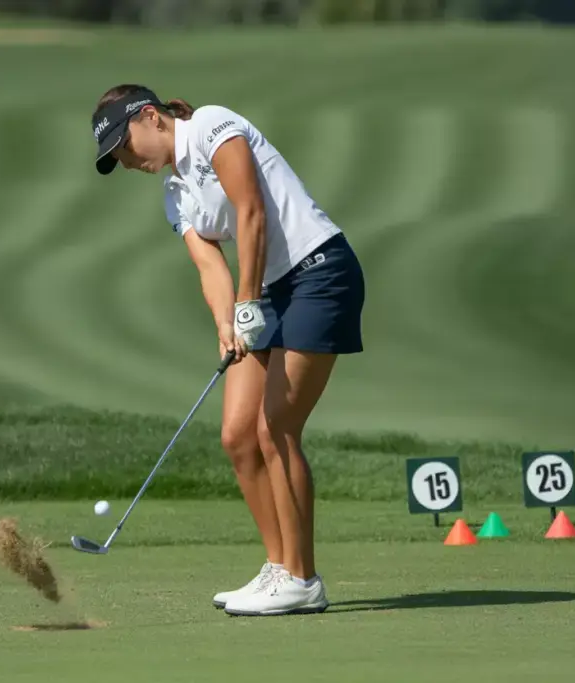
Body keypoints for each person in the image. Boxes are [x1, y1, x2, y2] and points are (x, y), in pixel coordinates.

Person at [90, 84, 365, 617]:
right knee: (238, 435)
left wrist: (246, 302)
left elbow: (252, 212)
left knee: (276, 426)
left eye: (124, 146)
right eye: (116, 158)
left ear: (151, 117)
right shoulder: (176, 193)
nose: (125, 162)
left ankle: (304, 579)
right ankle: (279, 568)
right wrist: (227, 322)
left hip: (319, 274)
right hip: (267, 292)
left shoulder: (214, 126)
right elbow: (209, 265)